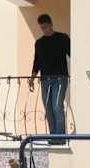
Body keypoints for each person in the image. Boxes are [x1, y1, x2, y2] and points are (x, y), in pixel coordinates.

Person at [28, 14, 70, 142]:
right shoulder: (39, 43)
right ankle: (53, 136)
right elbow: (37, 62)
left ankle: (60, 137)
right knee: (48, 108)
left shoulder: (62, 38)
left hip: (60, 78)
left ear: (51, 24)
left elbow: (73, 54)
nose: (44, 30)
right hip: (45, 80)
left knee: (57, 106)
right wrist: (32, 78)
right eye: (42, 28)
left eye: (45, 27)